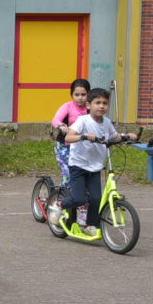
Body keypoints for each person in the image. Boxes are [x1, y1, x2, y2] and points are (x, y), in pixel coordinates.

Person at [49, 87, 137, 235]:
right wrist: (83, 136)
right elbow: (68, 137)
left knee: (96, 198)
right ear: (89, 105)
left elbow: (113, 137)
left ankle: (89, 225)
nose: (101, 106)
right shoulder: (83, 120)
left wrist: (126, 135)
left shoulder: (107, 122)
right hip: (78, 165)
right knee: (79, 198)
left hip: (95, 167)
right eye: (98, 103)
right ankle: (59, 204)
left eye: (105, 103)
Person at [51, 78, 90, 223]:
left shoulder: (89, 109)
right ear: (72, 95)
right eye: (77, 94)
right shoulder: (68, 107)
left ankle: (82, 209)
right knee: (68, 175)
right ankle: (59, 205)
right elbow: (56, 119)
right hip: (65, 147)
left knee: (85, 178)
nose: (80, 98)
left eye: (83, 94)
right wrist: (61, 126)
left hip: (81, 149)